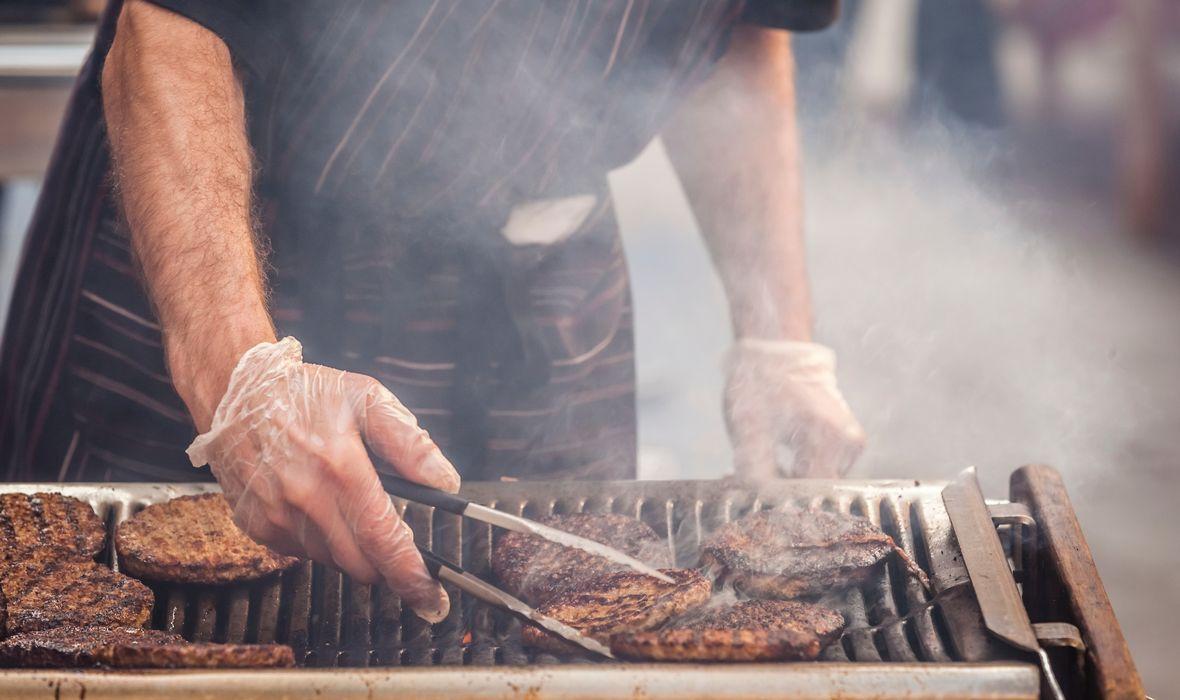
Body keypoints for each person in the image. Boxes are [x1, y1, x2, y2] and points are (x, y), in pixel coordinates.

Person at [0, 0, 864, 622]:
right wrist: (242, 381)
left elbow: (743, 31)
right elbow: (167, 28)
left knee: (559, 622)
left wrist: (778, 337)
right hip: (236, 255)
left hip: (539, 293)